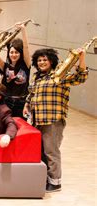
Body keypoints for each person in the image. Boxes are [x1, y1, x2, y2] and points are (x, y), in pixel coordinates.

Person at [24, 48, 88, 192]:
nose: (42, 62)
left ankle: (55, 182)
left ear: (51, 61)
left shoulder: (59, 75)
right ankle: (44, 178)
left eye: (45, 59)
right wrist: (27, 104)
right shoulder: (37, 77)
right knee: (40, 151)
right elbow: (32, 92)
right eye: (39, 60)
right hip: (37, 120)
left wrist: (82, 57)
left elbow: (81, 77)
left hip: (53, 119)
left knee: (51, 151)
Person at [0, 24, 31, 118]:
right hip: (7, 101)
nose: (13, 54)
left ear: (20, 53)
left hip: (21, 102)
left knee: (20, 126)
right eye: (11, 52)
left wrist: (23, 31)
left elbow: (26, 48)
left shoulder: (26, 65)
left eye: (16, 52)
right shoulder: (5, 66)